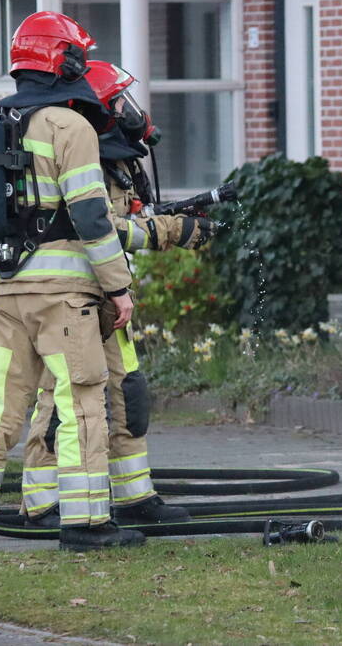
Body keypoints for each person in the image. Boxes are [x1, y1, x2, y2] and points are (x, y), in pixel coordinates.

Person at [0, 11, 139, 552]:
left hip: (5, 296)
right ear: (65, 62)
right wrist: (118, 287)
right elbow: (92, 217)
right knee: (79, 401)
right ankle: (84, 526)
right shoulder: (70, 127)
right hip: (65, 302)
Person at [21, 61, 214, 528]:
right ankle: (43, 502)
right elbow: (102, 228)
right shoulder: (83, 153)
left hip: (106, 295)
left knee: (129, 392)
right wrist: (171, 230)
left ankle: (134, 495)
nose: (131, 112)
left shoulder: (117, 160)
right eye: (120, 102)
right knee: (57, 403)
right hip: (71, 298)